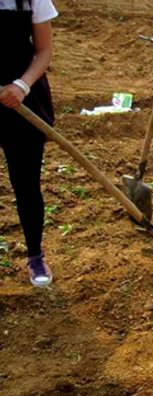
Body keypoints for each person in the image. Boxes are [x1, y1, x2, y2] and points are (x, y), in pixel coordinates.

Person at [0, 0, 58, 287]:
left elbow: (44, 51)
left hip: (22, 99)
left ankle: (35, 255)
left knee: (27, 185)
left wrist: (21, 86)